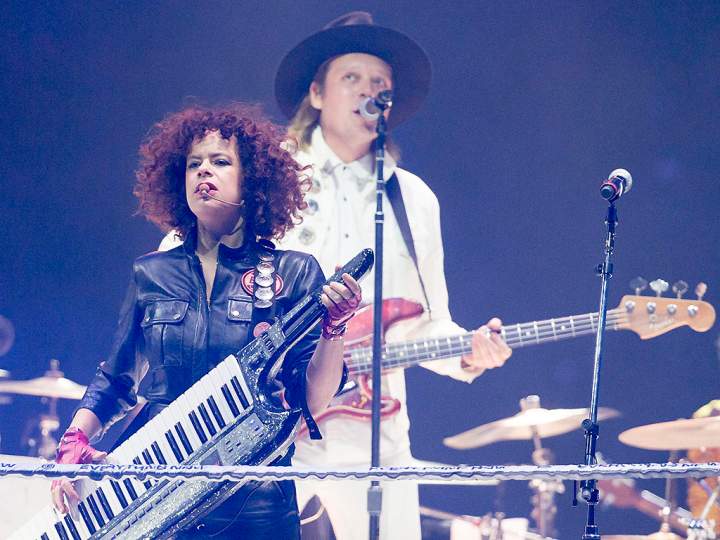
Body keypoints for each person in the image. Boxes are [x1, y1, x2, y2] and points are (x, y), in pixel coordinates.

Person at [50, 103, 363, 539]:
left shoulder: (295, 271)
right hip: (160, 489)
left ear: (252, 180)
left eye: (220, 161)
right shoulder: (152, 272)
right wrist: (73, 441)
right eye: (193, 164)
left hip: (258, 498)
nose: (203, 171)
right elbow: (118, 378)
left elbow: (313, 396)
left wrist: (334, 329)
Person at [273, 12, 513, 540]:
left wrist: (468, 353)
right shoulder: (269, 177)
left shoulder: (413, 199)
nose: (369, 91)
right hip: (273, 434)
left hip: (375, 441)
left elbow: (426, 323)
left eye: (380, 83)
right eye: (352, 77)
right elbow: (191, 266)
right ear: (316, 93)